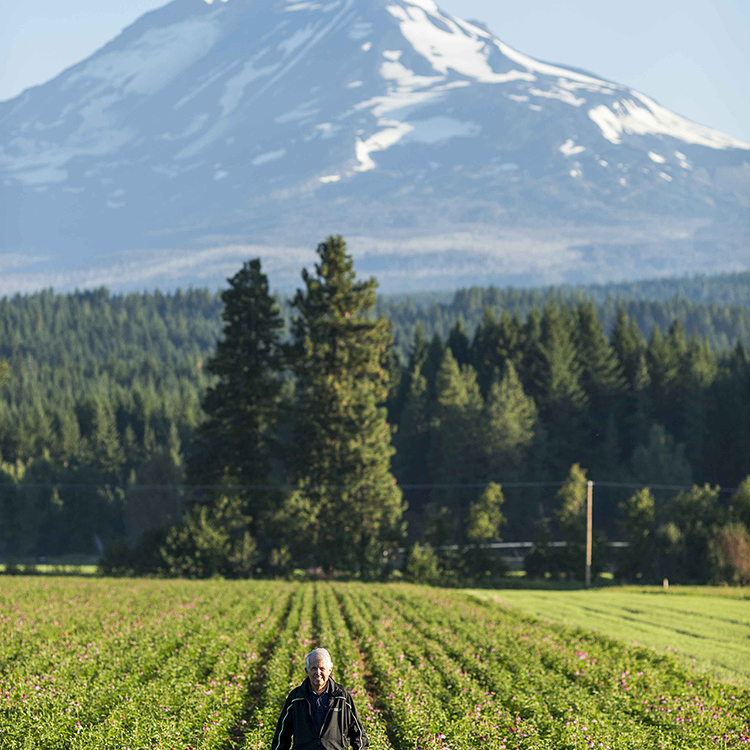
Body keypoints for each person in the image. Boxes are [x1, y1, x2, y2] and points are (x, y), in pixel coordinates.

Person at [271, 647, 369, 750]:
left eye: (322, 668)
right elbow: (282, 735)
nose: (318, 673)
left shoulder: (341, 697)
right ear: (306, 670)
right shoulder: (296, 698)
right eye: (313, 668)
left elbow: (358, 734)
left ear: (330, 670)